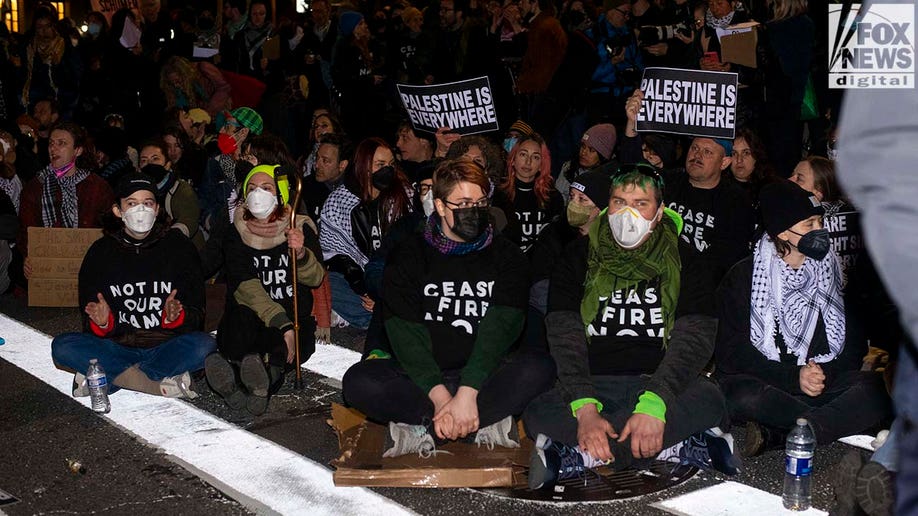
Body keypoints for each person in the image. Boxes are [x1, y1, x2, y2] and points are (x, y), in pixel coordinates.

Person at [523, 166, 734, 489]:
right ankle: (676, 446)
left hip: (658, 383)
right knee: (537, 409)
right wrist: (586, 411)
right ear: (608, 206)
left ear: (660, 212)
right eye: (620, 202)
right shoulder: (578, 255)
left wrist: (654, 406)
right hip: (594, 384)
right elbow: (565, 337)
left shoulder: (687, 259)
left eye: (641, 203)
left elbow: (695, 340)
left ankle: (581, 456)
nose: (628, 213)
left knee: (710, 397)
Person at [341, 159, 555, 456]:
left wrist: (468, 392)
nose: (475, 212)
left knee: (540, 368)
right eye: (464, 203)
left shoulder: (508, 256)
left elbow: (501, 329)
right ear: (440, 207)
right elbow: (405, 336)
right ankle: (474, 423)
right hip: (423, 380)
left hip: (484, 376)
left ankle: (426, 430)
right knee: (358, 383)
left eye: (481, 202)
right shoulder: (409, 255)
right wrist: (442, 399)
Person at [714, 180, 892, 456]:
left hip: (823, 384)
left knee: (876, 386)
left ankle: (789, 431)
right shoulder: (743, 278)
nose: (820, 230)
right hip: (772, 385)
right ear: (784, 232)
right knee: (740, 393)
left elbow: (853, 344)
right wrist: (794, 377)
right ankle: (830, 423)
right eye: (810, 224)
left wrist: (823, 376)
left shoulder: (835, 271)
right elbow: (731, 354)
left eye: (820, 221)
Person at [51, 172, 214, 400]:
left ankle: (110, 377)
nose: (141, 210)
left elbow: (197, 313)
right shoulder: (100, 252)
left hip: (165, 345)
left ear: (157, 209)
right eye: (131, 203)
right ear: (118, 210)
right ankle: (154, 383)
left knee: (204, 345)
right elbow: (89, 317)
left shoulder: (179, 248)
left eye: (147, 203)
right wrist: (103, 323)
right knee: (63, 346)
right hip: (117, 345)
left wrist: (176, 317)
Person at [206, 165, 325, 415]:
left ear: (280, 193)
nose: (257, 194)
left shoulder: (298, 227)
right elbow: (245, 286)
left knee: (281, 350)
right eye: (252, 188)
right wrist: (282, 325)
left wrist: (301, 254)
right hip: (252, 316)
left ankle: (248, 383)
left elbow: (316, 278)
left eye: (267, 188)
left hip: (293, 317)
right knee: (240, 325)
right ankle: (248, 379)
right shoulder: (235, 233)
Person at [319, 137, 413, 329]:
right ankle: (383, 319)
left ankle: (376, 318)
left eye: (391, 164)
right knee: (325, 282)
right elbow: (336, 255)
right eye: (380, 164)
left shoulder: (405, 195)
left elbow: (410, 252)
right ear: (364, 166)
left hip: (395, 279)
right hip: (358, 281)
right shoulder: (339, 201)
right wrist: (364, 289)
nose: (388, 170)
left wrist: (383, 291)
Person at [19, 122, 114, 280]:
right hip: (47, 272)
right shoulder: (35, 187)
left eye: (61, 143)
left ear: (78, 150)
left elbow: (110, 228)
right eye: (51, 143)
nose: (53, 149)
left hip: (88, 268)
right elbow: (25, 230)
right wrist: (27, 257)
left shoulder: (97, 188)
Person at [492, 134, 563, 253]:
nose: (528, 162)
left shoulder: (553, 197)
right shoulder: (498, 195)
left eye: (535, 157)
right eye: (523, 154)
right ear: (513, 160)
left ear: (541, 165)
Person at [555, 123, 617, 203]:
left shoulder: (609, 179)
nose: (584, 152)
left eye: (591, 150)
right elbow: (559, 199)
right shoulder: (569, 167)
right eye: (583, 146)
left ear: (603, 156)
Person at [301, 133, 352, 224]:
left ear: (342, 165)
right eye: (317, 157)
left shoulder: (354, 192)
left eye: (325, 161)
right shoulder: (305, 188)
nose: (317, 165)